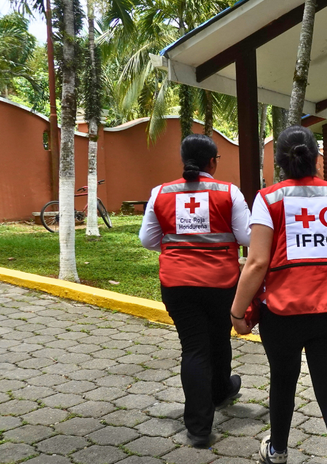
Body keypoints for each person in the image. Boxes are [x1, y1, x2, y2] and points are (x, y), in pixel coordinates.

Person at [229, 126, 327, 464]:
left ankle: (277, 451)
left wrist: (236, 313)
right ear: (316, 159)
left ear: (279, 162)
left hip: (283, 315)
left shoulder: (268, 199)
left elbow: (257, 262)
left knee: (282, 381)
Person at [139, 134, 251, 448]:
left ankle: (200, 427)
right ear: (212, 161)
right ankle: (220, 392)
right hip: (220, 284)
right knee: (218, 338)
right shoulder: (229, 193)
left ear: (184, 160)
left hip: (176, 285)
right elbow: (246, 237)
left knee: (194, 349)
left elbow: (147, 240)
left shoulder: (161, 193)